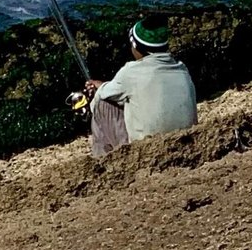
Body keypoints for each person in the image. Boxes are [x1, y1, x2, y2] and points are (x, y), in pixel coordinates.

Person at [83, 12, 197, 157]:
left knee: (103, 103)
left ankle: (101, 159)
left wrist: (97, 91)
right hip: (186, 145)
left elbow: (102, 97)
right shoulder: (182, 68)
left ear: (136, 47)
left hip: (148, 152)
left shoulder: (131, 72)